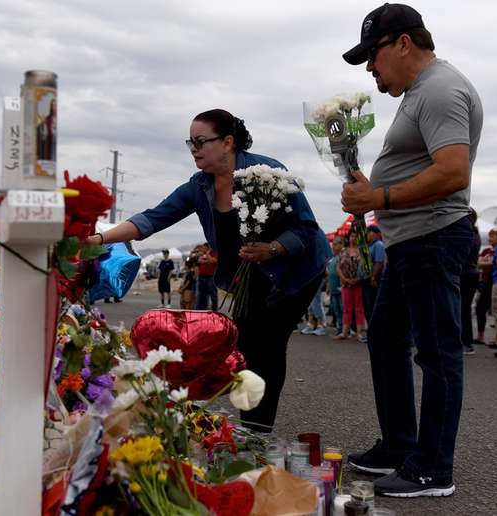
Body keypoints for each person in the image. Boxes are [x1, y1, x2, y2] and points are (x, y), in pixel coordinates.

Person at [85, 108, 331, 430]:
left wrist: (272, 248)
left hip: (294, 273)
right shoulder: (199, 187)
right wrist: (98, 238)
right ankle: (252, 429)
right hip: (249, 277)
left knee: (266, 345)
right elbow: (151, 219)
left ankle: (257, 432)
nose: (194, 150)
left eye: (200, 142)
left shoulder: (269, 172)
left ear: (228, 142)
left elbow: (307, 229)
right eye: (190, 143)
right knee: (244, 347)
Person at [340, 3, 482, 497]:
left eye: (372, 56)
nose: (369, 69)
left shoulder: (440, 89)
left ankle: (432, 469)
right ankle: (400, 445)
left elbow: (452, 172)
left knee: (438, 354)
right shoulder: (420, 91)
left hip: (434, 236)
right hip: (410, 240)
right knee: (384, 339)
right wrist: (370, 188)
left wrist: (378, 197)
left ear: (403, 43)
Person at [338, 233, 367, 342]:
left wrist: (357, 279)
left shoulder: (362, 250)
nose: (353, 238)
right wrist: (344, 279)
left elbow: (366, 267)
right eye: (351, 236)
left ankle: (360, 332)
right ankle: (345, 332)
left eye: (355, 236)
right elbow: (338, 267)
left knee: (359, 308)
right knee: (346, 308)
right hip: (346, 283)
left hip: (358, 282)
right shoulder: (343, 250)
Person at [460, 210, 480, 355]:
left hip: (466, 274)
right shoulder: (474, 234)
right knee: (463, 309)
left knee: (463, 309)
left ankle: (466, 342)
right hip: (469, 273)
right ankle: (465, 341)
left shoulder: (469, 234)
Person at [361, 225, 386, 321]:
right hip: (365, 279)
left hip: (373, 279)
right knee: (367, 306)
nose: (366, 234)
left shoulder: (378, 244)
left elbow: (379, 262)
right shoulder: (369, 246)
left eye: (368, 232)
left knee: (371, 305)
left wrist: (373, 277)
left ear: (375, 234)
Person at [474, 231, 495, 344]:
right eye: (490, 236)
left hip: (496, 281)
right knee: (480, 308)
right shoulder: (486, 251)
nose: (491, 238)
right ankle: (480, 335)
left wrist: (484, 263)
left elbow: (483, 263)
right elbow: (479, 262)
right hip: (486, 281)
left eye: (494, 235)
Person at [327, 236, 345, 339]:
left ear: (341, 244)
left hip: (340, 288)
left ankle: (345, 329)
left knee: (342, 309)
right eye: (333, 244)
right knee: (336, 310)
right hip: (333, 288)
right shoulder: (333, 258)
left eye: (335, 244)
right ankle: (339, 329)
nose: (333, 246)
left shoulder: (342, 256)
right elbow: (331, 274)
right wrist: (328, 287)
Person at [194, 243, 218, 311]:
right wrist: (207, 260)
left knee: (213, 295)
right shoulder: (202, 254)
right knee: (201, 295)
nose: (203, 249)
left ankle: (214, 310)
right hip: (201, 277)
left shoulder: (214, 253)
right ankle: (201, 310)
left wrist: (208, 254)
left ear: (208, 247)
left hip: (210, 277)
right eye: (203, 248)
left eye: (204, 248)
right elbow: (199, 261)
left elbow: (213, 260)